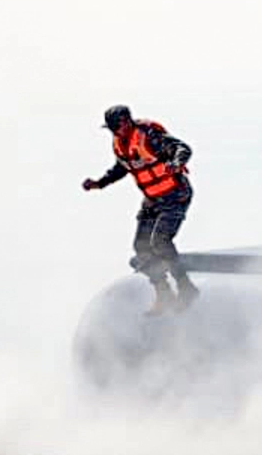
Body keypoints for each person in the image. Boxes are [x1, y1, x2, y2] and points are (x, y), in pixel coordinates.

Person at [83, 105, 199, 314]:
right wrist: (99, 183)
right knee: (141, 246)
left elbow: (183, 148)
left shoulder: (149, 135)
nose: (115, 132)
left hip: (175, 195)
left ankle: (186, 287)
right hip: (152, 199)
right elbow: (121, 168)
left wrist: (175, 163)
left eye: (117, 127)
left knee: (160, 242)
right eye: (111, 129)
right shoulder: (120, 144)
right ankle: (163, 293)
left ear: (127, 122)